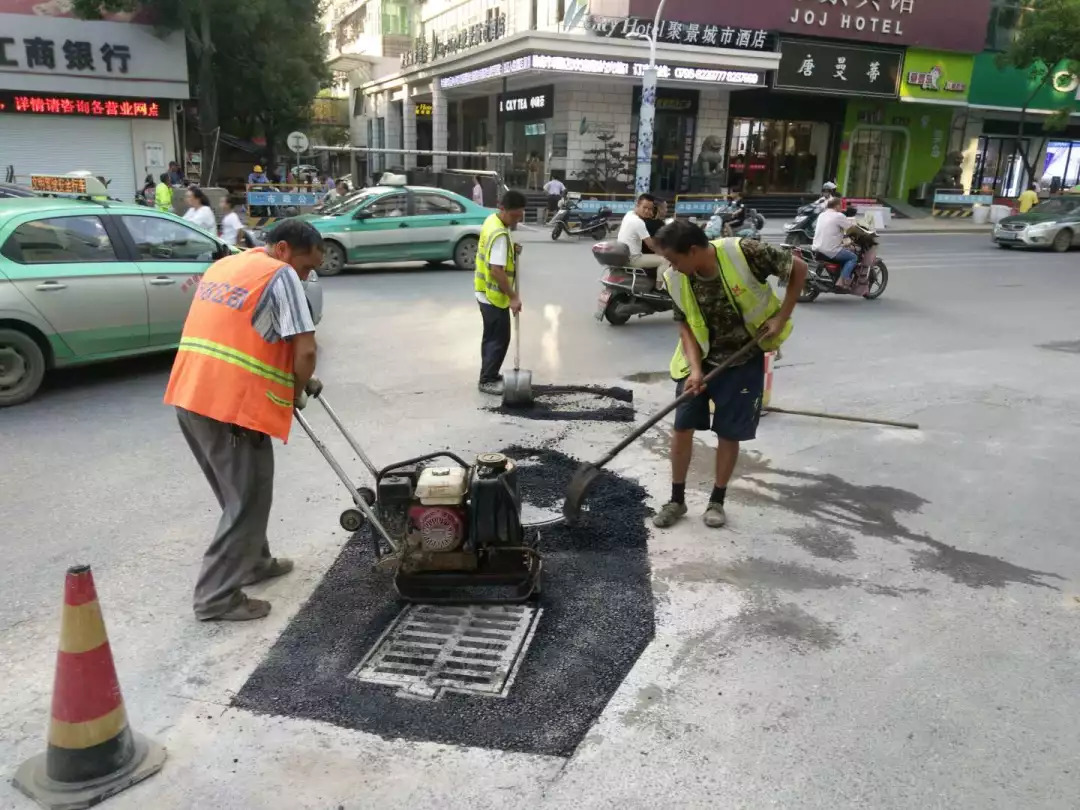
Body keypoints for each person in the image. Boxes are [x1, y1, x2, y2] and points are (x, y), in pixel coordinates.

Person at [164, 219, 325, 621]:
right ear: (285, 250)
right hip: (229, 407)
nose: (306, 276)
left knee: (243, 492)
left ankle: (253, 562)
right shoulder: (281, 274)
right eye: (306, 266)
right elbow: (305, 351)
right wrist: (294, 391)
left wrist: (295, 376)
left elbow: (243, 333)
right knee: (247, 498)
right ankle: (215, 598)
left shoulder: (228, 265)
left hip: (191, 394)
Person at [652, 221, 807, 529]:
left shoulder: (744, 252)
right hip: (699, 360)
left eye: (675, 259)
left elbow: (798, 269)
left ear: (694, 251)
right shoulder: (676, 277)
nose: (671, 266)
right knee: (682, 427)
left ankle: (717, 501)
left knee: (728, 432)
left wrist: (781, 316)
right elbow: (685, 327)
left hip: (743, 359)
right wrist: (695, 371)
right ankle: (676, 500)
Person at [474, 190, 527, 395]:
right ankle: (487, 380)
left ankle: (490, 374)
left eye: (520, 216)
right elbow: (497, 270)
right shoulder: (500, 235)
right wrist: (513, 297)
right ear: (502, 209)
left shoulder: (492, 221)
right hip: (493, 296)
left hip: (483, 291)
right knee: (498, 339)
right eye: (514, 216)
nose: (516, 220)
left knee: (492, 337)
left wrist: (512, 248)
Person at [812, 196, 858, 290]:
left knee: (844, 251)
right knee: (853, 257)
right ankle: (843, 281)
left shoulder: (822, 215)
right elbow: (851, 229)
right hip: (830, 250)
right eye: (841, 205)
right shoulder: (839, 216)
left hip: (817, 248)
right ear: (836, 206)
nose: (841, 207)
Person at [617, 193, 664, 272]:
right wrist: (665, 254)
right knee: (666, 260)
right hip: (634, 260)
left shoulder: (629, 214)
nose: (647, 211)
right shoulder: (638, 222)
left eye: (649, 209)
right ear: (637, 205)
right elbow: (651, 245)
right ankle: (659, 284)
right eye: (644, 207)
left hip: (625, 257)